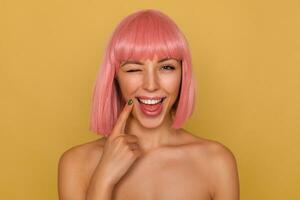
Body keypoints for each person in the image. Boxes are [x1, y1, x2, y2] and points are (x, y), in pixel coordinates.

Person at [58, 9, 239, 200]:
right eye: (134, 69)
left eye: (166, 67)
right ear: (114, 78)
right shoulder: (76, 163)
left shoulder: (217, 162)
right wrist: (103, 179)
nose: (151, 85)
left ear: (183, 74)